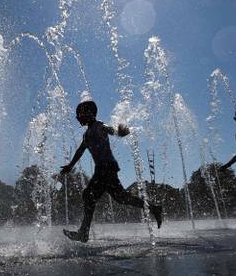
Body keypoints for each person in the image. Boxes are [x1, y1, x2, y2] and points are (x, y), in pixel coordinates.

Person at [59, 100, 162, 242]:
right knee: (121, 197)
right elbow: (80, 150)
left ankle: (83, 232)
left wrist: (119, 132)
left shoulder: (99, 126)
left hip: (106, 167)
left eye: (80, 114)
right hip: (104, 168)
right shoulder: (87, 134)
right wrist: (70, 165)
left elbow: (110, 130)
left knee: (89, 195)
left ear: (89, 114)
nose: (78, 117)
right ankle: (153, 208)